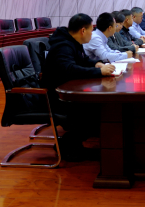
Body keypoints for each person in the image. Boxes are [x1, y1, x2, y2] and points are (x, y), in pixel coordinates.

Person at [41, 13, 115, 160]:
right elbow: (69, 69)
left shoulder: (73, 42)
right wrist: (99, 72)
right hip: (57, 98)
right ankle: (68, 145)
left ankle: (82, 139)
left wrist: (96, 64)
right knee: (96, 108)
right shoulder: (63, 46)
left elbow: (83, 60)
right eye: (91, 30)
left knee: (99, 105)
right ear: (83, 30)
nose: (92, 34)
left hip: (66, 92)